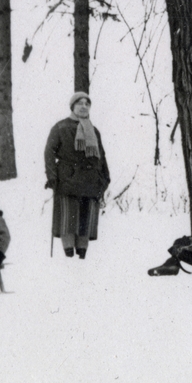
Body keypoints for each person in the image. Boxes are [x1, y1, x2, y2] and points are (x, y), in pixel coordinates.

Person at [43, 92, 110, 259]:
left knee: (86, 220)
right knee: (68, 219)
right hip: (68, 180)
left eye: (87, 103)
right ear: (72, 106)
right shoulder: (60, 127)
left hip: (91, 180)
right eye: (79, 103)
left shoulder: (94, 131)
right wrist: (52, 176)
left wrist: (105, 177)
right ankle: (68, 257)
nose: (83, 106)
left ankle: (82, 257)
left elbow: (101, 155)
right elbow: (49, 152)